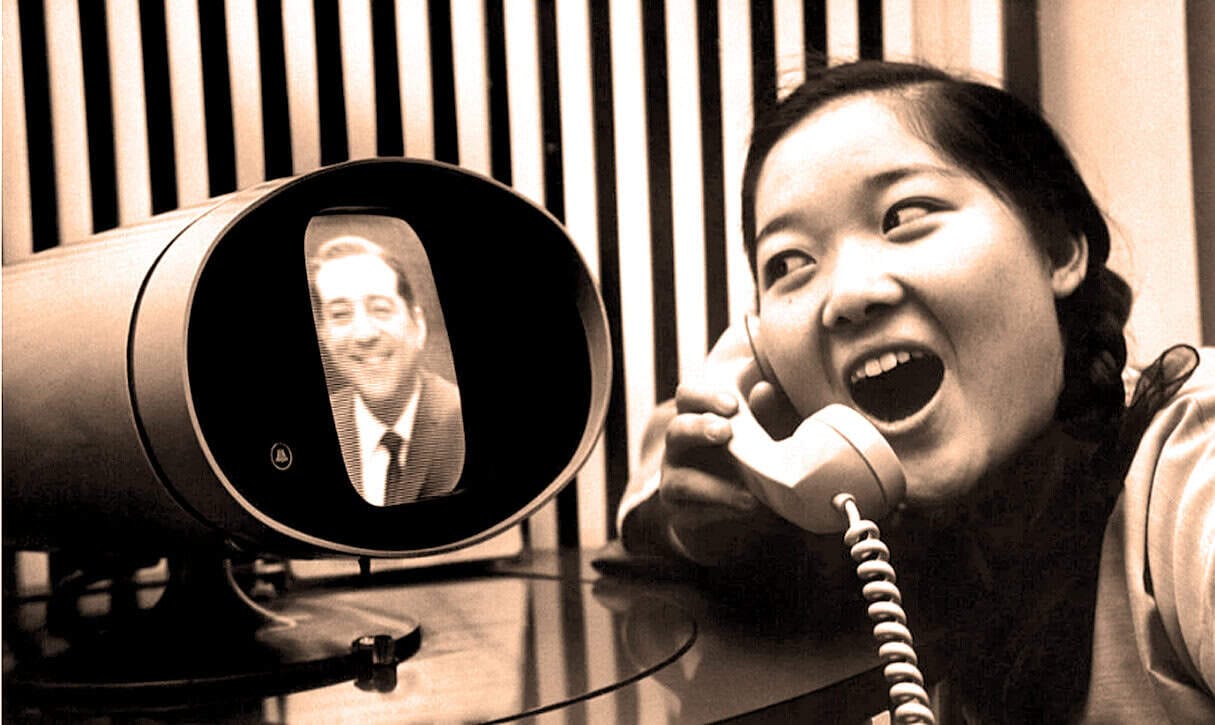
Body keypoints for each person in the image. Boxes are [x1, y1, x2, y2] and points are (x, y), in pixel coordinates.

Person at [616, 60, 1213, 722]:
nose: (846, 296)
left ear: (1059, 247)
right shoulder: (875, 524)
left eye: (904, 215)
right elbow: (654, 486)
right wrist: (709, 521)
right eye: (788, 264)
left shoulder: (1189, 453)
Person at [309, 229, 464, 506]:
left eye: (380, 309)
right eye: (341, 315)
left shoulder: (459, 418)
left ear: (418, 324)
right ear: (324, 335)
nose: (364, 334)